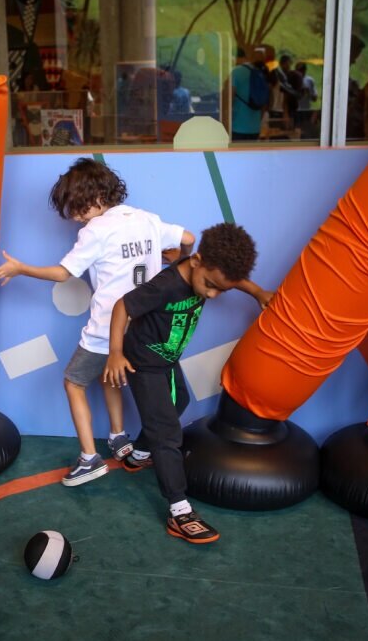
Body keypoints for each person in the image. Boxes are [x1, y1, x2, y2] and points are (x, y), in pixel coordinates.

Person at [0, 158, 196, 486]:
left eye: (76, 208)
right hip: (143, 331)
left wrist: (21, 269)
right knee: (110, 376)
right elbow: (188, 236)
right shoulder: (145, 219)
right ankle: (118, 437)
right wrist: (177, 259)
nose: (73, 217)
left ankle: (89, 459)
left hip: (106, 329)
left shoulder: (96, 231)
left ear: (96, 198)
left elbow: (63, 273)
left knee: (73, 381)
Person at [104, 223, 271, 544]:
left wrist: (257, 292)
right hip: (143, 362)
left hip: (167, 359)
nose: (212, 294)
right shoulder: (167, 284)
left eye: (220, 289)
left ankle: (137, 455)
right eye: (209, 285)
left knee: (178, 403)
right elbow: (123, 305)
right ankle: (179, 510)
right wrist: (114, 352)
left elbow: (232, 281)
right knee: (167, 433)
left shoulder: (214, 272)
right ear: (196, 261)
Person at [229, 47, 266, 141]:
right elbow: (265, 102)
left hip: (238, 127)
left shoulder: (236, 72)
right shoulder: (261, 74)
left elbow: (230, 100)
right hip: (255, 128)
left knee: (238, 155)